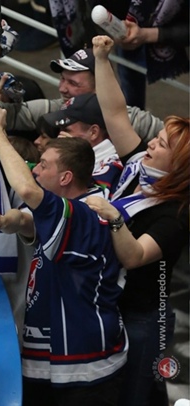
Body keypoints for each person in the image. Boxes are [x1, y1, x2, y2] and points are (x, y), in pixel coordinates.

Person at [0, 106, 127, 405]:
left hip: (83, 368)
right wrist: (9, 221)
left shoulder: (83, 213)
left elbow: (28, 191)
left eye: (43, 165)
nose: (35, 170)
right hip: (56, 358)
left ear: (65, 177)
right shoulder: (75, 204)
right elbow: (29, 219)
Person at [85, 35, 189, 406]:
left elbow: (134, 256)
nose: (151, 144)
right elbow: (115, 113)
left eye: (162, 144)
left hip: (145, 320)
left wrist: (114, 218)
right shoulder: (138, 168)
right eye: (156, 137)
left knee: (134, 398)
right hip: (110, 306)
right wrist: (101, 59)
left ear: (180, 167)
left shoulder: (176, 215)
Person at [0, 47, 164, 143]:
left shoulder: (130, 119)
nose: (62, 88)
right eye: (62, 79)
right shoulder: (58, 107)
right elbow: (6, 115)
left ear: (100, 87)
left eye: (73, 83)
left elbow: (175, 139)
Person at [40, 92, 123, 194]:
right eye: (59, 130)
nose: (60, 137)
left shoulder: (112, 166)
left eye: (66, 130)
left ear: (93, 132)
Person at [115, 0, 189, 109]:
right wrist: (112, 28)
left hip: (175, 40)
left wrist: (147, 35)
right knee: (130, 95)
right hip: (128, 32)